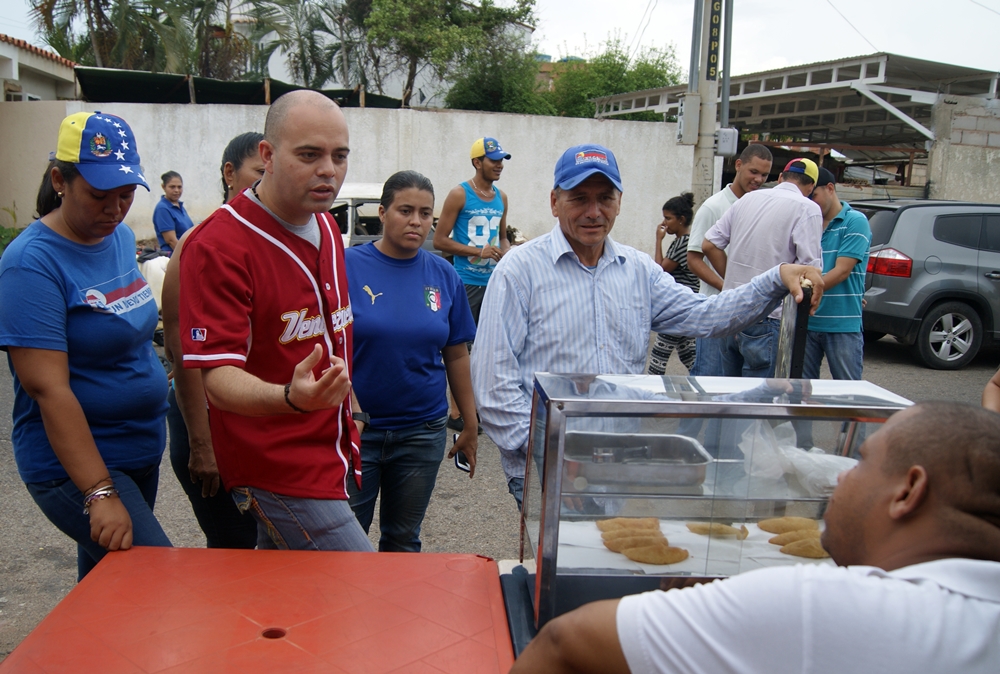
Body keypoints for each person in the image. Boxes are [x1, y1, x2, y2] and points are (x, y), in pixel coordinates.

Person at [509, 401, 1000, 674]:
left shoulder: (821, 604)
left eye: (862, 461)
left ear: (908, 491)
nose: (841, 478)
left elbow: (567, 642)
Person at [470, 143, 824, 509]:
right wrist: (548, 452)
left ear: (619, 201)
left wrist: (776, 278)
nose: (594, 212)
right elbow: (493, 382)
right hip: (548, 465)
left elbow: (707, 315)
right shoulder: (519, 271)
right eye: (579, 199)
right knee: (562, 564)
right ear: (554, 202)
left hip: (617, 468)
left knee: (610, 558)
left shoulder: (637, 270)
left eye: (605, 198)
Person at [179, 90, 373, 552]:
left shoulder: (323, 223)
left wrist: (354, 410)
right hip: (276, 467)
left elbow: (330, 335)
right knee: (357, 586)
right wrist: (291, 397)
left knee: (291, 604)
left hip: (331, 448)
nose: (328, 169)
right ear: (267, 155)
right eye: (309, 155)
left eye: (339, 156)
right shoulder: (217, 244)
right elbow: (217, 378)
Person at [0, 111, 171, 579]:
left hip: (138, 450)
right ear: (59, 179)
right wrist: (98, 492)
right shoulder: (30, 265)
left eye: (125, 194)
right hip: (80, 466)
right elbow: (47, 390)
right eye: (99, 195)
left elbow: (132, 334)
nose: (115, 209)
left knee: (107, 593)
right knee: (161, 580)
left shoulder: (116, 238)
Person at [344, 171, 478, 551]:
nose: (416, 221)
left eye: (425, 213)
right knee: (346, 541)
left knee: (403, 540)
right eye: (405, 210)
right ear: (383, 213)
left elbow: (456, 353)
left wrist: (469, 422)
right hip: (358, 432)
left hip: (421, 433)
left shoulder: (443, 274)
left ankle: (393, 612)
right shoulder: (345, 266)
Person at [160, 132, 264, 549]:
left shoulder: (281, 242)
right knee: (234, 549)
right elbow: (181, 354)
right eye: (259, 172)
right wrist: (202, 444)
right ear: (229, 173)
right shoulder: (198, 244)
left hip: (257, 418)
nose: (268, 183)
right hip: (208, 420)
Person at [702, 158, 824, 378]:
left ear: (780, 178)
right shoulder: (808, 208)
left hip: (731, 309)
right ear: (810, 187)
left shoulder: (747, 199)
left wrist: (733, 279)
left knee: (726, 397)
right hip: (769, 317)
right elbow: (809, 272)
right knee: (758, 401)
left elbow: (709, 244)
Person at [433, 137, 511, 432]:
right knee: (460, 347)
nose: (499, 165)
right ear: (477, 162)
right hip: (466, 281)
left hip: (493, 282)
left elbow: (503, 235)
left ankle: (476, 407)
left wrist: (506, 251)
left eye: (502, 159)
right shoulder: (459, 194)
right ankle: (457, 413)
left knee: (488, 347)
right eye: (494, 160)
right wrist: (478, 252)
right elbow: (440, 241)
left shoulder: (502, 197)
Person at [686, 144, 773, 376]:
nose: (758, 179)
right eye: (753, 172)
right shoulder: (714, 206)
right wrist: (727, 286)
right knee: (709, 379)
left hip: (750, 312)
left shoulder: (764, 207)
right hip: (716, 310)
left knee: (742, 385)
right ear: (738, 165)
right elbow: (694, 259)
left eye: (764, 175)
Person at [802, 167, 872, 381]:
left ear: (830, 188)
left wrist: (806, 293)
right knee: (800, 394)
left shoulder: (854, 221)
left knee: (848, 395)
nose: (810, 203)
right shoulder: (806, 222)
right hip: (806, 322)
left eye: (813, 196)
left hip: (841, 323)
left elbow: (842, 271)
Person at [647, 193, 699, 374]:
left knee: (657, 360)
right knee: (689, 355)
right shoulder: (683, 242)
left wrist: (658, 240)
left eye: (668, 218)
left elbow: (660, 271)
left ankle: (652, 398)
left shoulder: (682, 244)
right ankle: (707, 389)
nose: (664, 222)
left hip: (678, 309)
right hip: (685, 308)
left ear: (681, 219)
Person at [153, 170, 195, 253]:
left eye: (179, 187)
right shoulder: (163, 209)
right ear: (163, 187)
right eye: (172, 187)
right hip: (175, 257)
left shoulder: (180, 206)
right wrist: (189, 255)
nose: (176, 190)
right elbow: (171, 241)